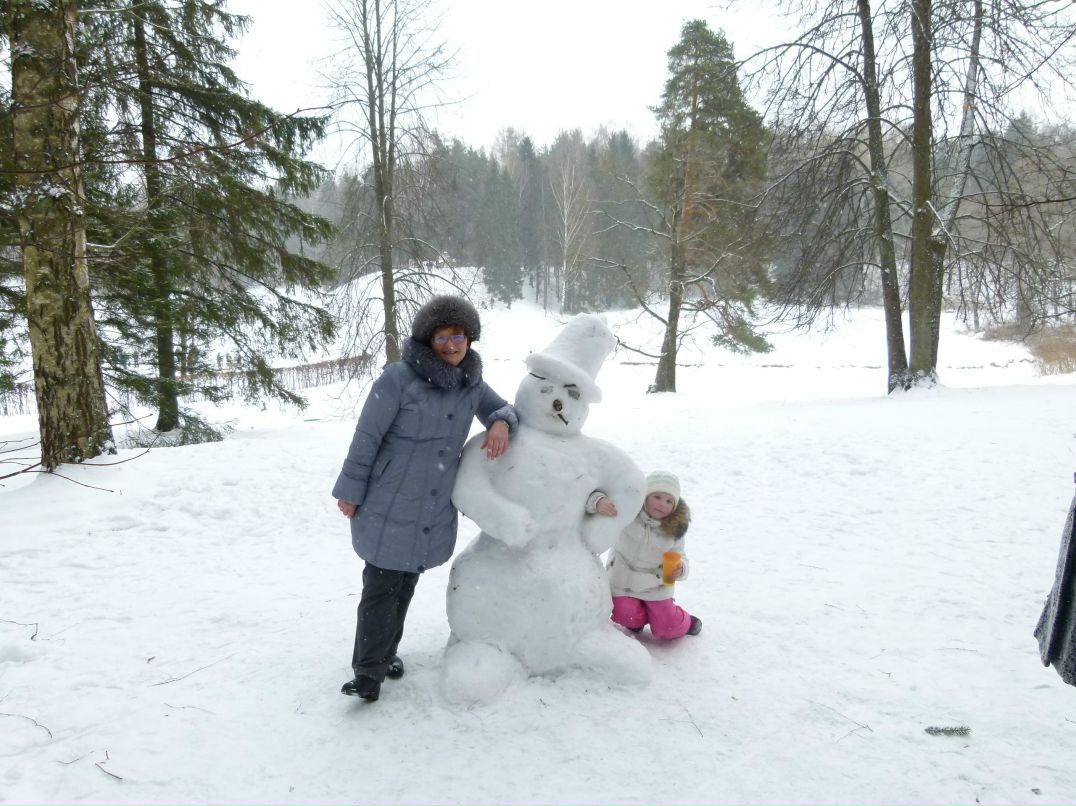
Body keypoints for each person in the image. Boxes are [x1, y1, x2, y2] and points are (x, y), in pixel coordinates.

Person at [332, 295, 517, 702]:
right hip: (387, 500)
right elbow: (367, 438)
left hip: (432, 505)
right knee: (381, 585)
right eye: (441, 337)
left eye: (458, 336)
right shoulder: (397, 380)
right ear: (426, 339)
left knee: (405, 584)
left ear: (469, 339)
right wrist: (350, 490)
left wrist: (501, 422)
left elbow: (501, 408)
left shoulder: (471, 383)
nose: (451, 345)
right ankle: (368, 673)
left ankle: (385, 653)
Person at [590, 471, 701, 640]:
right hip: (622, 582)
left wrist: (681, 569)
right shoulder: (627, 513)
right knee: (624, 616)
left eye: (669, 501)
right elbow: (597, 494)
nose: (662, 504)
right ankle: (639, 618)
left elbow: (680, 556)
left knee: (668, 628)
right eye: (657, 496)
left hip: (655, 587)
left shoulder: (674, 529)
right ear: (644, 495)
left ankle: (685, 622)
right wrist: (598, 502)